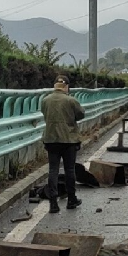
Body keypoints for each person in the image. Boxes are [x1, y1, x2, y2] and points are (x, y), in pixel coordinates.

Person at [41, 75, 85, 213]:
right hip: (69, 140)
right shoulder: (71, 100)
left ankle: (53, 203)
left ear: (54, 86)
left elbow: (45, 114)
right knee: (69, 170)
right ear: (66, 87)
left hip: (51, 139)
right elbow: (81, 114)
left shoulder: (45, 100)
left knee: (53, 170)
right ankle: (71, 200)